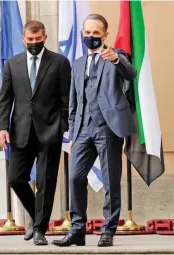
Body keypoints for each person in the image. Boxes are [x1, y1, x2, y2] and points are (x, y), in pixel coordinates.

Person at [52, 14, 137, 247]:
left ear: (105, 35)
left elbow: (131, 74)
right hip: (82, 130)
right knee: (75, 177)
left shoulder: (115, 56)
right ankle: (78, 229)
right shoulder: (77, 63)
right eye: (87, 33)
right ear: (82, 33)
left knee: (111, 181)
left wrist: (116, 60)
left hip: (108, 128)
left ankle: (108, 230)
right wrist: (72, 132)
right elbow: (74, 100)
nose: (91, 37)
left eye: (96, 33)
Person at [0, 20, 71, 245]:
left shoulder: (59, 62)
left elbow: (67, 98)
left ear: (45, 37)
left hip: (50, 130)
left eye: (38, 39)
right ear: (23, 39)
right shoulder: (12, 64)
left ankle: (39, 230)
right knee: (16, 179)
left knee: (45, 182)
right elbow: (5, 99)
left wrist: (63, 125)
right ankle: (37, 218)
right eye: (30, 40)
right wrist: (1, 127)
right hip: (20, 131)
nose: (34, 43)